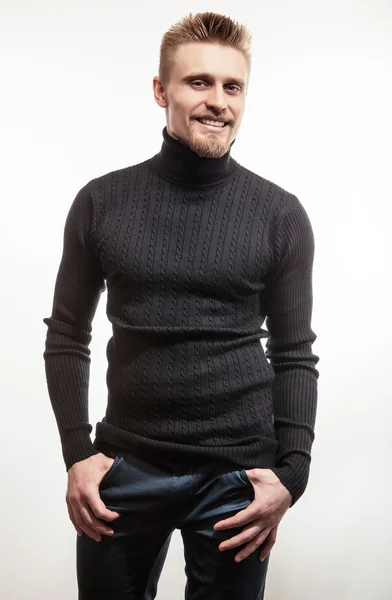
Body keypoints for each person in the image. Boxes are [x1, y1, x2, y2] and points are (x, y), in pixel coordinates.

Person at [43, 11, 319, 599]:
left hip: (236, 476)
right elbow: (68, 334)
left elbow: (295, 353)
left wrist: (292, 476)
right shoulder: (101, 202)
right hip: (124, 466)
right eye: (199, 82)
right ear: (160, 90)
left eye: (232, 86)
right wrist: (77, 454)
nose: (218, 100)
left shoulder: (280, 215)